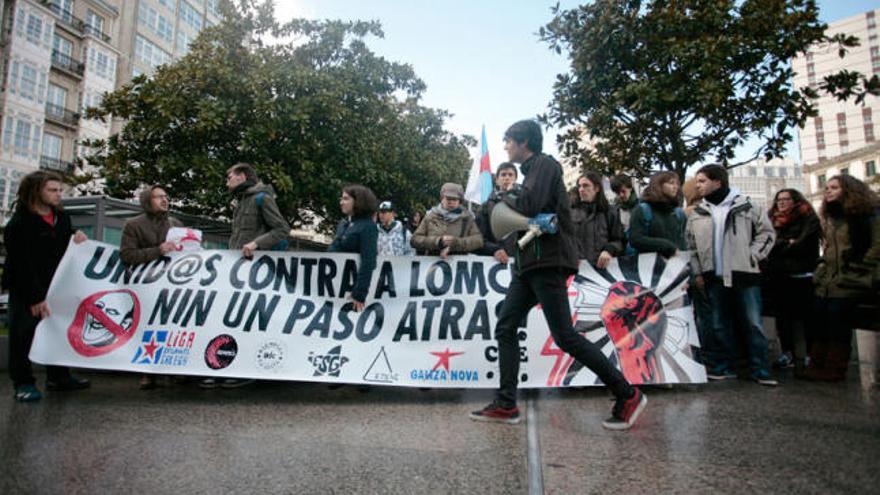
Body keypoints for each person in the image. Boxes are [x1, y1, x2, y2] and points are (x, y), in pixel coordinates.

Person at [470, 120, 646, 430]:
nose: (506, 146)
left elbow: (529, 204)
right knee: (506, 326)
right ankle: (506, 403)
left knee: (564, 336)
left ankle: (627, 393)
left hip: (547, 262)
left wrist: (503, 199)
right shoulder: (531, 172)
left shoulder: (545, 165)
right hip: (528, 266)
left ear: (524, 142)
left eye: (509, 141)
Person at [201, 162, 291, 389]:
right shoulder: (240, 202)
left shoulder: (262, 198)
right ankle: (223, 365)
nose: (227, 180)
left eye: (229, 176)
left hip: (254, 273)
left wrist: (256, 243)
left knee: (246, 321)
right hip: (236, 271)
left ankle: (243, 369)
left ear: (242, 177)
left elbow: (281, 229)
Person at [2, 171, 89, 402]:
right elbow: (21, 265)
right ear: (36, 191)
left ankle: (58, 377)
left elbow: (64, 244)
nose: (58, 195)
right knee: (22, 336)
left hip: (57, 288)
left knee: (58, 332)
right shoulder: (19, 224)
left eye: (60, 190)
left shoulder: (62, 218)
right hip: (28, 291)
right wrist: (35, 298)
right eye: (52, 190)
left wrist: (75, 235)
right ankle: (23, 383)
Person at [686, 164, 777, 386]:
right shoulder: (697, 213)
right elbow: (691, 246)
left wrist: (752, 256)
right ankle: (723, 367)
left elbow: (766, 233)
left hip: (744, 274)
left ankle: (761, 369)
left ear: (717, 181)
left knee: (753, 323)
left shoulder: (747, 206)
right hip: (713, 276)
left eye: (702, 181)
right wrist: (697, 272)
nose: (698, 186)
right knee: (718, 323)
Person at [803, 175, 879, 382]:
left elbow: (876, 246)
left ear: (849, 190)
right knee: (818, 313)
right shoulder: (831, 219)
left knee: (837, 314)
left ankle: (835, 366)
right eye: (827, 188)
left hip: (856, 278)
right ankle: (818, 363)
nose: (828, 191)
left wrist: (858, 267)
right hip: (830, 279)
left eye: (834, 188)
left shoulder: (868, 215)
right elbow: (828, 250)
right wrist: (821, 270)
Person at [120, 185, 183, 390]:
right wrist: (158, 251)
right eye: (158, 197)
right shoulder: (133, 225)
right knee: (147, 327)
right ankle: (146, 372)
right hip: (146, 285)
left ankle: (172, 370)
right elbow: (127, 255)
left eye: (166, 196)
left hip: (172, 285)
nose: (164, 200)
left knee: (171, 325)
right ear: (148, 201)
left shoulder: (175, 225)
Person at [762, 189, 820, 372]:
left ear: (795, 200)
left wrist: (783, 245)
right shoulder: (771, 219)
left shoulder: (808, 218)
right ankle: (787, 353)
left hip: (802, 275)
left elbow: (804, 245)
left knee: (807, 318)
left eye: (786, 199)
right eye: (779, 199)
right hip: (778, 276)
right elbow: (768, 245)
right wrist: (789, 243)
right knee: (783, 318)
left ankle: (811, 355)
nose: (782, 202)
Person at [329, 185, 379, 312]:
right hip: (334, 285)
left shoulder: (368, 227)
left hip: (351, 287)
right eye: (341, 199)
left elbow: (369, 261)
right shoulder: (343, 223)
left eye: (346, 199)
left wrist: (359, 293)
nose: (341, 202)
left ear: (358, 201)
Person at [411, 183, 483, 259]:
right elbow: (415, 240)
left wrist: (456, 243)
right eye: (448, 198)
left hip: (458, 266)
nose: (451, 202)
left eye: (454, 199)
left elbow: (478, 241)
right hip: (431, 264)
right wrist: (438, 242)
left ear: (460, 201)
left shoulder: (467, 218)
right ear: (442, 199)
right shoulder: (430, 217)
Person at [571, 171, 624, 268]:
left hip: (602, 269)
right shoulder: (570, 213)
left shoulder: (610, 212)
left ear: (597, 188)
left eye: (586, 185)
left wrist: (609, 250)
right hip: (576, 269)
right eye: (579, 186)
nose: (581, 189)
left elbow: (619, 240)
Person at [628, 171, 687, 257]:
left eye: (677, 184)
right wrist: (666, 246)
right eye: (671, 183)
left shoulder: (678, 213)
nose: (675, 187)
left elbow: (682, 241)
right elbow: (635, 239)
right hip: (649, 266)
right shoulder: (642, 210)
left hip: (675, 266)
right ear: (658, 185)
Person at [475, 162, 521, 263]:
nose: (507, 178)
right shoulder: (486, 207)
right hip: (495, 263)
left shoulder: (526, 204)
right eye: (503, 175)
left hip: (523, 264)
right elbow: (477, 237)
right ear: (497, 180)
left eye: (510, 175)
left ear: (515, 179)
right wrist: (494, 250)